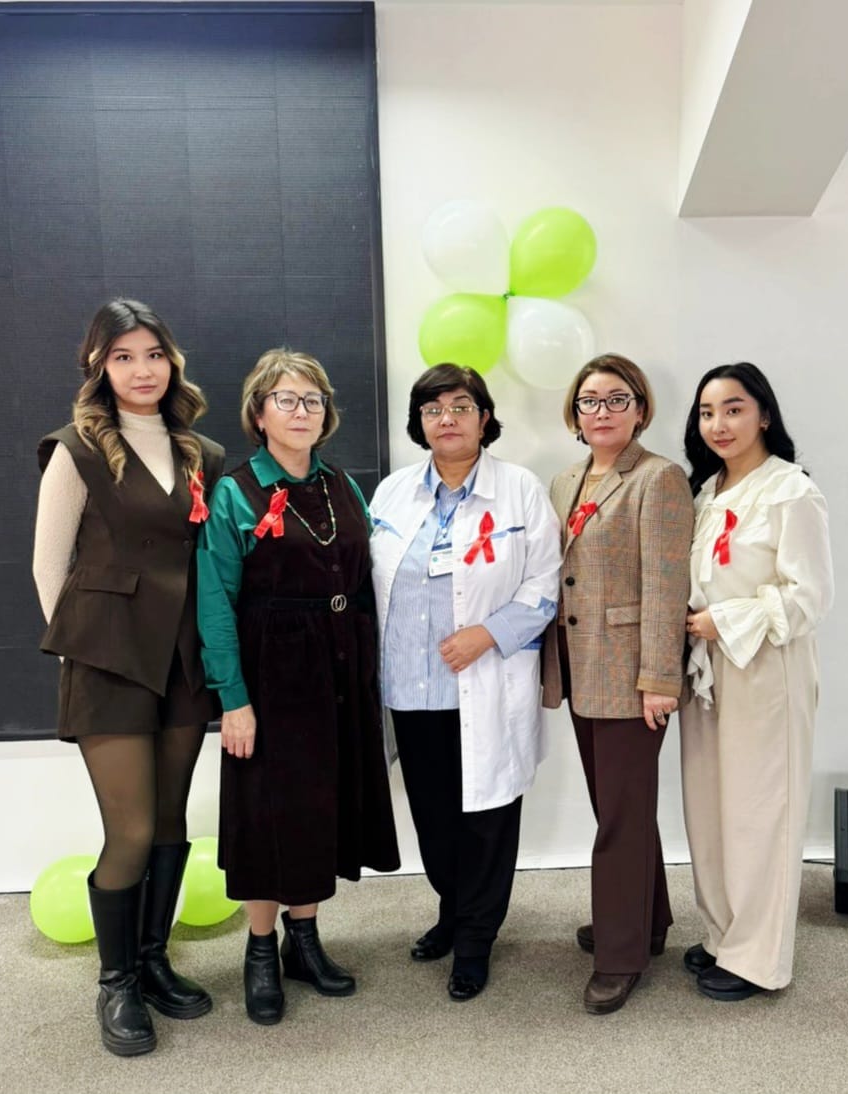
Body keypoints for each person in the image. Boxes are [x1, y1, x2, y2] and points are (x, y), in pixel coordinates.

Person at [32, 298, 225, 1056]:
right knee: (132, 830)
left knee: (172, 821)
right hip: (108, 658)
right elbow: (49, 565)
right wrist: (83, 652)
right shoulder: (75, 447)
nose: (141, 370)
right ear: (99, 366)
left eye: (153, 354)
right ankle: (115, 984)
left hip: (183, 658)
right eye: (123, 357)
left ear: (171, 362)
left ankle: (152, 961)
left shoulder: (202, 453)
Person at [196, 349, 400, 1025]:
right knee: (266, 812)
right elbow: (214, 604)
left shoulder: (343, 485)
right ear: (259, 413)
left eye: (313, 399)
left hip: (337, 667)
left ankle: (303, 939)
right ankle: (260, 948)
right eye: (286, 399)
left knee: (320, 806)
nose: (302, 410)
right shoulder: (234, 492)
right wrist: (233, 700)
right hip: (270, 672)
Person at [369, 364, 561, 1002]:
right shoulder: (392, 493)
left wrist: (487, 633)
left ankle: (476, 939)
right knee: (433, 817)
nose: (446, 419)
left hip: (487, 681)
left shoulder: (520, 490)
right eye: (432, 409)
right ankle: (452, 912)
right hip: (411, 690)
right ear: (418, 422)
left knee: (487, 817)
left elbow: (544, 584)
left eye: (460, 406)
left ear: (484, 417)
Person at [541, 354, 694, 1015]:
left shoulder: (659, 478)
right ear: (574, 414)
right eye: (588, 401)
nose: (600, 412)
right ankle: (648, 921)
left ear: (640, 409)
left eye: (614, 399)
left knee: (620, 819)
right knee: (618, 808)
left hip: (632, 676)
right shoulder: (565, 480)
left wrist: (659, 678)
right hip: (580, 667)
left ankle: (620, 954)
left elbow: (666, 584)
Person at [681, 362, 834, 1001]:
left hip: (767, 668)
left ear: (764, 415)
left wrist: (724, 620)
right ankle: (725, 934)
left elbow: (810, 596)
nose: (719, 424)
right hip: (707, 669)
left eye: (734, 409)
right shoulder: (706, 493)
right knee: (710, 807)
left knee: (761, 811)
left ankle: (758, 958)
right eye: (707, 412)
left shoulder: (790, 491)